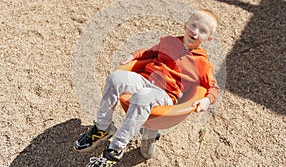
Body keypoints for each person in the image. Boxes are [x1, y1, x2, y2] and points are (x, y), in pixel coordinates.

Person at [74, 9, 220, 167]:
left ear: (209, 38)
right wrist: (134, 55)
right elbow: (149, 52)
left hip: (165, 94)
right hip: (145, 79)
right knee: (115, 78)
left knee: (143, 96)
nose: (196, 32)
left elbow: (213, 87)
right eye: (194, 25)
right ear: (185, 25)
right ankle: (103, 128)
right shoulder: (168, 42)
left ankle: (115, 149)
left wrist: (207, 100)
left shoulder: (202, 63)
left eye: (203, 31)